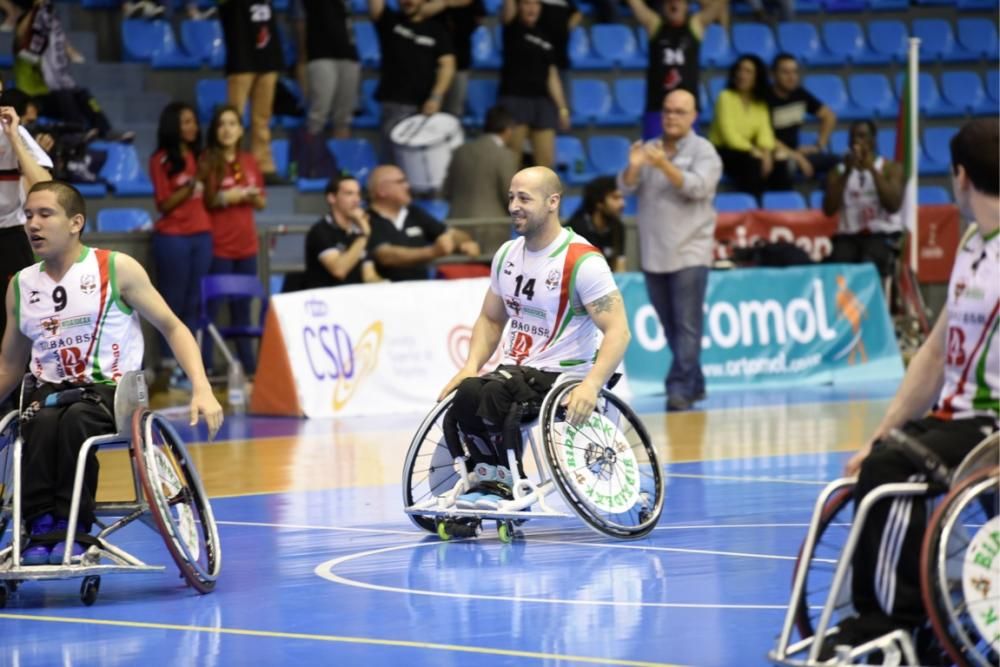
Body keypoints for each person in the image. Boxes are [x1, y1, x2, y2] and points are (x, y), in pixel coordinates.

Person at [823, 117, 999, 660]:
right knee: (882, 458)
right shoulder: (973, 244)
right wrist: (880, 433)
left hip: (990, 427)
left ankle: (892, 626)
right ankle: (879, 619)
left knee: (893, 470)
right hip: (959, 420)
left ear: (961, 176)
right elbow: (931, 356)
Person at [0, 180, 223, 565]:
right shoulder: (21, 285)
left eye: (45, 214)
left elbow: (173, 326)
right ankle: (41, 527)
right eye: (28, 215)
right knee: (36, 422)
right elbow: (9, 363)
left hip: (109, 392)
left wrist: (201, 388)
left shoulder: (116, 268)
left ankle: (74, 528)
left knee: (74, 421)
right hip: (47, 393)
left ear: (75, 222)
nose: (33, 224)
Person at [437, 166, 631, 509]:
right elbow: (490, 319)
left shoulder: (583, 262)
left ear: (552, 202)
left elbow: (618, 331)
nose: (513, 205)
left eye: (524, 198)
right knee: (468, 391)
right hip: (517, 371)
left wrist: (591, 385)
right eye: (511, 197)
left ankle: (504, 478)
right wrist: (470, 365)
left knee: (496, 390)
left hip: (563, 376)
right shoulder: (506, 255)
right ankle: (489, 474)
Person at [618, 89, 721, 411]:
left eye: (679, 111)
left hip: (690, 249)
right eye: (667, 111)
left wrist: (664, 166)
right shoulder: (650, 150)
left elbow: (698, 188)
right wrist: (635, 167)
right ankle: (696, 382)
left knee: (688, 325)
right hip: (654, 252)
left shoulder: (705, 152)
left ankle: (678, 387)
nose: (672, 117)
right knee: (671, 326)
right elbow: (625, 188)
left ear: (693, 116)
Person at [149, 101, 213, 390]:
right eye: (186, 121)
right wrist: (194, 182)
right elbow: (164, 204)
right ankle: (168, 368)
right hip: (173, 238)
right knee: (171, 305)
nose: (193, 127)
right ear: (173, 125)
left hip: (202, 235)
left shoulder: (202, 156)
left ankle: (192, 369)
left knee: (194, 303)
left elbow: (209, 199)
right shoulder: (161, 159)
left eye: (194, 121)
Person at [199, 104, 266, 374]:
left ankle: (249, 369)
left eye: (232, 124)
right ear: (215, 131)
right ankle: (205, 368)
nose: (227, 130)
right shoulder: (208, 160)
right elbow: (205, 200)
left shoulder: (249, 160)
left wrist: (249, 196)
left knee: (243, 310)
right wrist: (229, 197)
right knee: (210, 311)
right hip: (219, 246)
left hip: (247, 246)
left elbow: (261, 201)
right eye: (222, 124)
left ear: (240, 130)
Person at [14, 0, 134, 143]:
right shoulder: (24, 48)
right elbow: (21, 34)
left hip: (54, 96)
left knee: (82, 93)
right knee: (65, 94)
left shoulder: (50, 53)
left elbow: (56, 37)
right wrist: (34, 9)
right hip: (34, 98)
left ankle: (105, 130)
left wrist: (70, 50)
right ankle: (78, 131)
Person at [624, 0, 726, 140]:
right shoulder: (655, 25)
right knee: (653, 155)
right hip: (658, 107)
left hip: (687, 109)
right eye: (669, 1)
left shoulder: (695, 25)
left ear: (686, 6)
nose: (674, 4)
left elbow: (717, 5)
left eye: (679, 1)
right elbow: (635, 4)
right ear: (663, 6)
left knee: (687, 157)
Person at [369, 0, 455, 159]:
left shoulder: (437, 29)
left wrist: (436, 97)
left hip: (425, 109)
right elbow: (375, 6)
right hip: (394, 106)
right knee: (392, 163)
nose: (408, 1)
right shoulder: (390, 20)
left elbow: (448, 65)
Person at [0, 90, 52, 352]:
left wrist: (15, 139)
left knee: (18, 327)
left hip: (9, 240)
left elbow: (45, 186)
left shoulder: (12, 131)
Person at [822, 120, 905, 280]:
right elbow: (828, 210)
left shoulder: (889, 168)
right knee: (837, 263)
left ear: (873, 140)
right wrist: (846, 173)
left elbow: (893, 205)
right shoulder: (838, 171)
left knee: (870, 263)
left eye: (861, 136)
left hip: (880, 234)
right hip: (849, 236)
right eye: (852, 137)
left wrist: (872, 170)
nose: (856, 141)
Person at [366, 164, 481, 281]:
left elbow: (448, 232)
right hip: (384, 293)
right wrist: (433, 252)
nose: (407, 186)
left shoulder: (413, 212)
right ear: (382, 190)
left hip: (420, 290)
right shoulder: (367, 219)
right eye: (400, 182)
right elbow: (385, 256)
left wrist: (462, 243)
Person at [498, 0, 570, 168]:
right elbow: (508, 10)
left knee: (546, 162)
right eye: (527, 3)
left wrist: (563, 109)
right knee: (512, 159)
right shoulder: (512, 28)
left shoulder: (546, 36)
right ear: (519, 7)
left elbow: (552, 76)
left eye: (536, 4)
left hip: (543, 101)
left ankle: (543, 195)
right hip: (515, 98)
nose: (532, 8)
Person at [218, 0, 284, 183]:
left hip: (268, 56)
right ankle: (230, 165)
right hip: (241, 58)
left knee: (263, 117)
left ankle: (264, 166)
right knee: (233, 118)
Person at [764, 53, 838, 189]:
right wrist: (797, 157)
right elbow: (766, 138)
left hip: (797, 153)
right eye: (785, 72)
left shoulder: (800, 94)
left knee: (840, 163)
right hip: (774, 155)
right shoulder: (764, 98)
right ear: (773, 74)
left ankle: (825, 202)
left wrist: (819, 145)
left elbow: (829, 116)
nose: (791, 77)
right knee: (784, 164)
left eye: (794, 72)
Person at [709, 54, 776, 199]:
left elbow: (765, 131)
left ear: (757, 76)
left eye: (748, 71)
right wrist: (754, 151)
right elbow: (729, 136)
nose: (742, 75)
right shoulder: (725, 97)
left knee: (780, 162)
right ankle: (754, 208)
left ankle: (783, 208)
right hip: (723, 151)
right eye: (740, 70)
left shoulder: (760, 102)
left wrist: (766, 153)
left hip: (748, 150)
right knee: (753, 163)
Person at [294, 0, 360, 141]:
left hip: (348, 54)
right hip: (320, 55)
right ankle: (311, 158)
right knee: (317, 116)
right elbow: (301, 24)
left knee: (344, 119)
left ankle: (342, 160)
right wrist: (302, 62)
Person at [302, 174, 382, 289]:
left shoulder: (358, 231)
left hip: (355, 299)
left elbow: (369, 275)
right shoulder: (321, 231)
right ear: (332, 198)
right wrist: (363, 236)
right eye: (349, 194)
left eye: (358, 194)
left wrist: (387, 285)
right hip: (327, 301)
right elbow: (339, 271)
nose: (357, 200)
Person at [441, 105, 519, 219]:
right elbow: (509, 196)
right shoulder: (505, 155)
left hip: (456, 222)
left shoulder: (460, 151)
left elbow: (446, 191)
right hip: (491, 225)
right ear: (508, 130)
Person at [418, 0, 486, 119]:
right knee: (425, 111)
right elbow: (419, 12)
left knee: (454, 113)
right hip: (429, 60)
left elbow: (479, 17)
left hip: (460, 59)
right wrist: (446, 3)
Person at [565, 175, 626, 272]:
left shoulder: (618, 227)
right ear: (599, 203)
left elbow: (620, 266)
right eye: (615, 198)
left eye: (622, 198)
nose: (622, 203)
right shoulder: (574, 229)